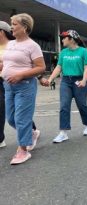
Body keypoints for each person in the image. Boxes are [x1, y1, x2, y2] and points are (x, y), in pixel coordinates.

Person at [1, 14, 46, 164]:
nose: (11, 27)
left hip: (25, 86)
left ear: (25, 27)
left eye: (14, 24)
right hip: (8, 86)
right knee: (11, 118)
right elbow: (6, 62)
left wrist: (20, 75)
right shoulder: (11, 44)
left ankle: (23, 151)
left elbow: (41, 67)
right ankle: (32, 134)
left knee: (21, 119)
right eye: (11, 24)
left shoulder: (33, 46)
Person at [47, 30, 87, 143]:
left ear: (71, 39)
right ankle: (63, 132)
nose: (62, 40)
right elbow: (59, 67)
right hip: (66, 81)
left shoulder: (83, 51)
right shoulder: (63, 52)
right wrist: (50, 79)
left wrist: (84, 80)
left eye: (64, 38)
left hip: (79, 80)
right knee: (64, 106)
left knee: (82, 105)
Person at [0, 21, 16, 148]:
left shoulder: (14, 46)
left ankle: (31, 129)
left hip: (11, 81)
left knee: (15, 111)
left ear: (1, 32)